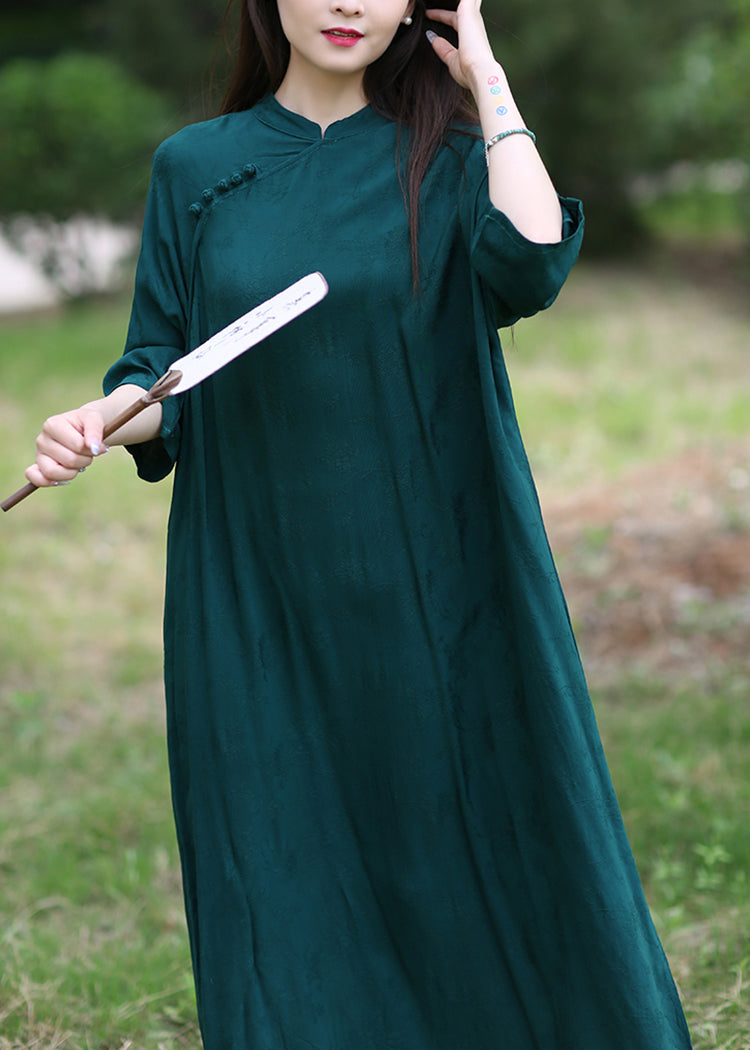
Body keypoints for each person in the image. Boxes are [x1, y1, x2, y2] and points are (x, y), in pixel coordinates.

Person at [25, 0, 693, 1046]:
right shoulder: (196, 167)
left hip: (447, 578)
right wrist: (102, 419)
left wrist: (485, 74)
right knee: (283, 862)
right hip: (258, 592)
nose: (349, 3)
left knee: (477, 837)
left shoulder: (454, 157)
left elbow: (530, 262)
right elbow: (162, 366)